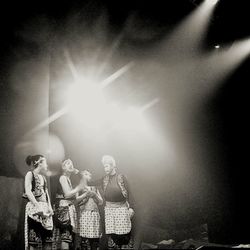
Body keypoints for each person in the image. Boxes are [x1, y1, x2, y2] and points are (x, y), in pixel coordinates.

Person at [89, 155, 135, 250]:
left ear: (113, 166)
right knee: (112, 236)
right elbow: (91, 182)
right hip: (109, 210)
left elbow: (130, 193)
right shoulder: (104, 179)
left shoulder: (121, 177)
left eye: (107, 166)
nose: (105, 168)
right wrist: (78, 174)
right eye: (104, 166)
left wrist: (131, 208)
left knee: (123, 235)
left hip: (121, 209)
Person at [23, 154, 53, 250]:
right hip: (34, 209)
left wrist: (50, 207)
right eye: (44, 161)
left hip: (45, 209)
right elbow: (28, 191)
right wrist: (37, 206)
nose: (46, 164)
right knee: (34, 240)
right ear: (38, 162)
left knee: (48, 240)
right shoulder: (30, 174)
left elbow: (46, 193)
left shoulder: (43, 178)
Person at [54, 158, 84, 250]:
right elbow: (67, 194)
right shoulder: (63, 178)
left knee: (68, 237)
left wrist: (85, 195)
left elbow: (73, 200)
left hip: (68, 208)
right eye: (67, 163)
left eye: (71, 163)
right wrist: (79, 187)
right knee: (65, 237)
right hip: (64, 209)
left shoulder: (68, 179)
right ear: (63, 167)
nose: (71, 165)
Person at [78, 170, 103, 250]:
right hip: (84, 214)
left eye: (88, 174)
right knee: (84, 240)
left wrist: (95, 194)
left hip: (94, 214)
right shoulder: (79, 188)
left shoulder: (94, 188)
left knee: (95, 240)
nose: (87, 175)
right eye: (85, 174)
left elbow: (101, 202)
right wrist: (85, 195)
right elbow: (76, 201)